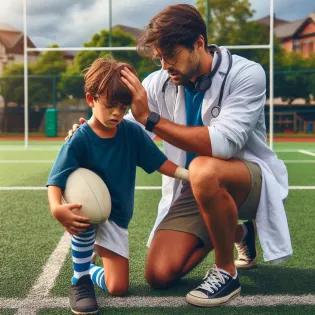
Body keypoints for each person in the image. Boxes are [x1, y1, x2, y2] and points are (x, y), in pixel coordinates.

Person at [119, 3, 292, 307]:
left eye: (170, 55)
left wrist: (152, 119)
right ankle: (237, 232)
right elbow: (128, 132)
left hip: (247, 179)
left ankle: (226, 271)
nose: (163, 66)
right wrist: (92, 132)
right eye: (160, 57)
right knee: (159, 274)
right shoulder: (159, 82)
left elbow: (222, 143)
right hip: (195, 184)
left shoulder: (246, 73)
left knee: (204, 168)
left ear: (199, 43)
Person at [47, 57, 189, 314]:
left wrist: (188, 175)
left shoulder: (131, 133)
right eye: (110, 105)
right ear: (91, 99)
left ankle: (90, 267)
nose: (117, 113)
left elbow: (159, 162)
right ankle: (80, 280)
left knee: (118, 287)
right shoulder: (79, 138)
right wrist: (57, 207)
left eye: (123, 107)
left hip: (117, 215)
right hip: (87, 211)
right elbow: (57, 177)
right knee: (82, 209)